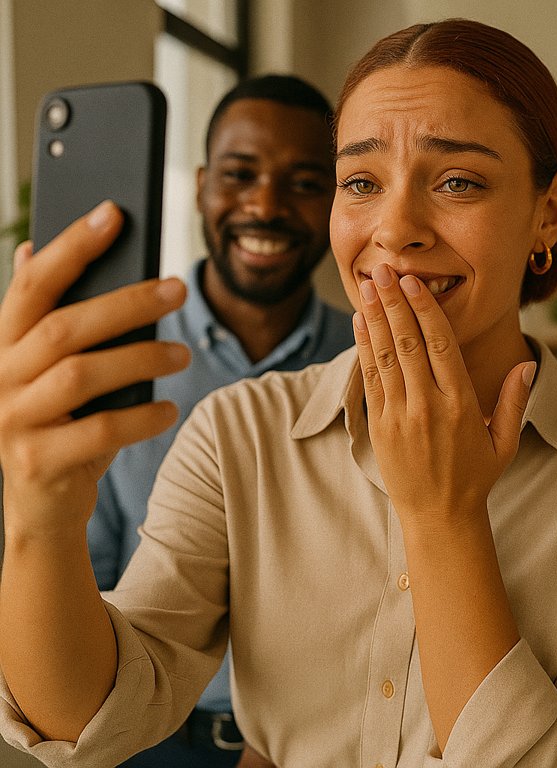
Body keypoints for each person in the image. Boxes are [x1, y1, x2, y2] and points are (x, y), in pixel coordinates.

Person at [0, 19, 557, 767]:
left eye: (458, 182)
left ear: (550, 211)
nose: (395, 228)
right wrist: (39, 522)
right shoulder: (239, 430)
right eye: (361, 183)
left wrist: (444, 518)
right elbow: (90, 720)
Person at [83, 73, 354, 768]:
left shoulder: (372, 366)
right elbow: (83, 585)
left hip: (332, 742)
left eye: (303, 182)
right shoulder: (119, 362)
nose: (264, 205)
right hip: (150, 742)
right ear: (202, 184)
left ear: (337, 200)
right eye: (240, 174)